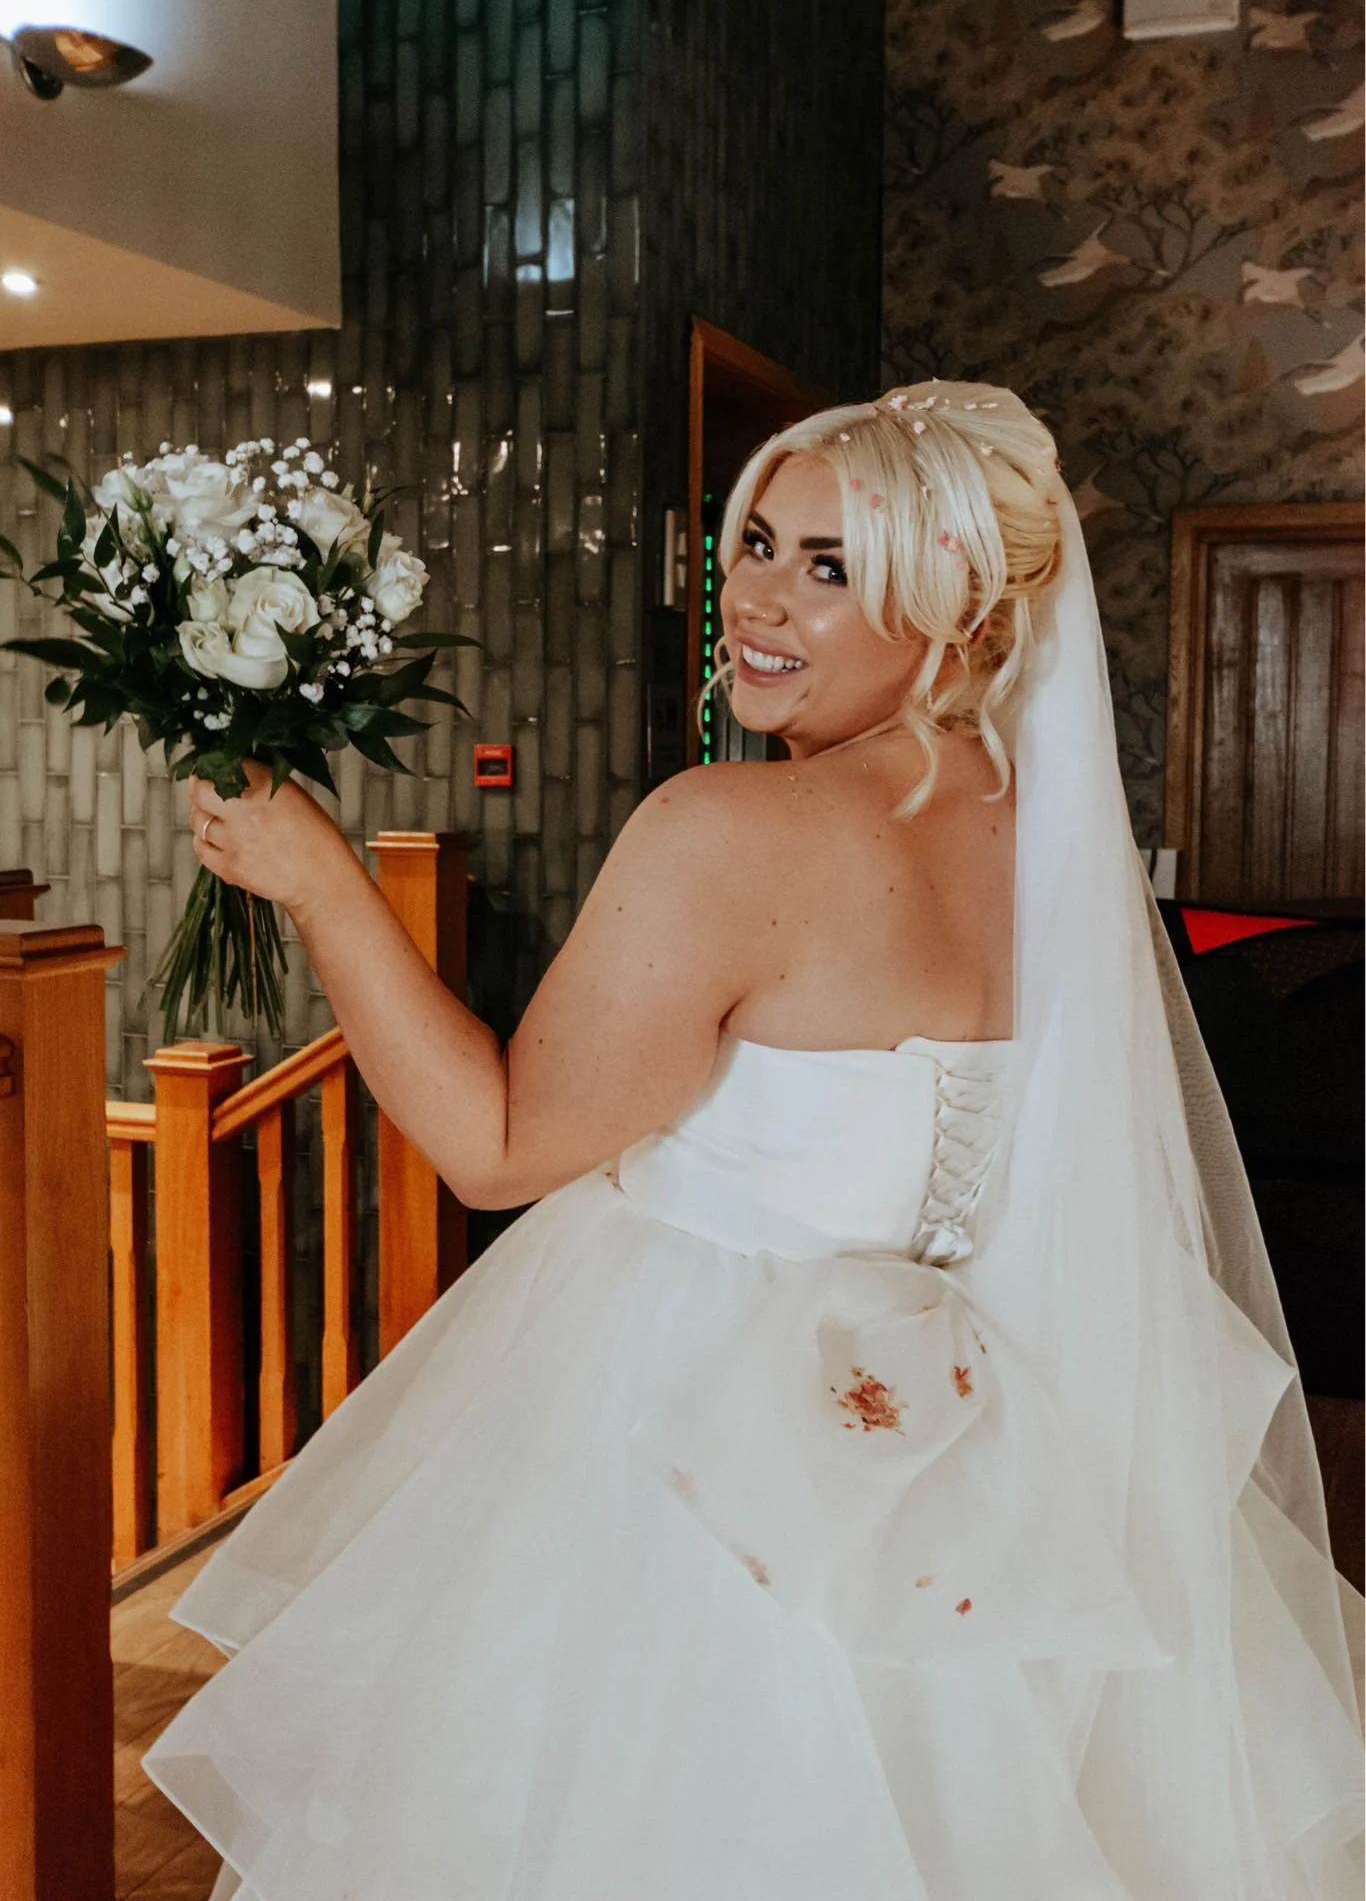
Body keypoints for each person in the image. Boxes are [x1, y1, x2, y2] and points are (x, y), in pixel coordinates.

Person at [145, 385, 1362, 1900]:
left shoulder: (724, 829)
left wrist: (322, 879)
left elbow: (499, 1147)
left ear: (965, 611)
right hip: (961, 1441)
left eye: (834, 567)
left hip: (680, 1435)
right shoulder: (1035, 823)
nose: (761, 601)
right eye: (760, 544)